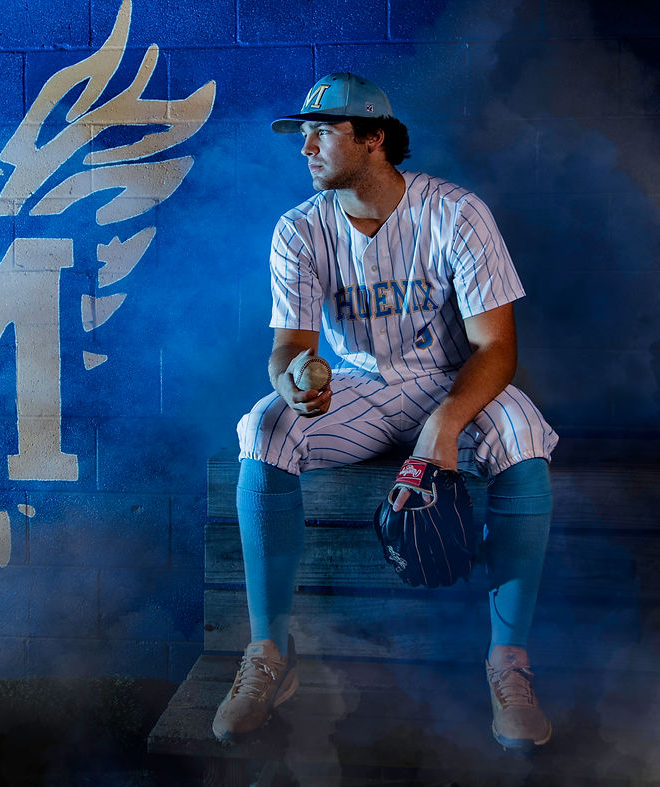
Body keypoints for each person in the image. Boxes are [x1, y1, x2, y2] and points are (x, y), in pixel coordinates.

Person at [211, 73, 558, 751]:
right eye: (301, 134)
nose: (304, 146)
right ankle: (268, 653)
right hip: (360, 385)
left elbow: (496, 348)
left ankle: (507, 663)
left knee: (520, 434)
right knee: (264, 427)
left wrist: (444, 426)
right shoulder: (298, 229)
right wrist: (292, 381)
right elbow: (290, 346)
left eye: (322, 131)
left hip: (455, 382)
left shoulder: (455, 212)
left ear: (374, 139)